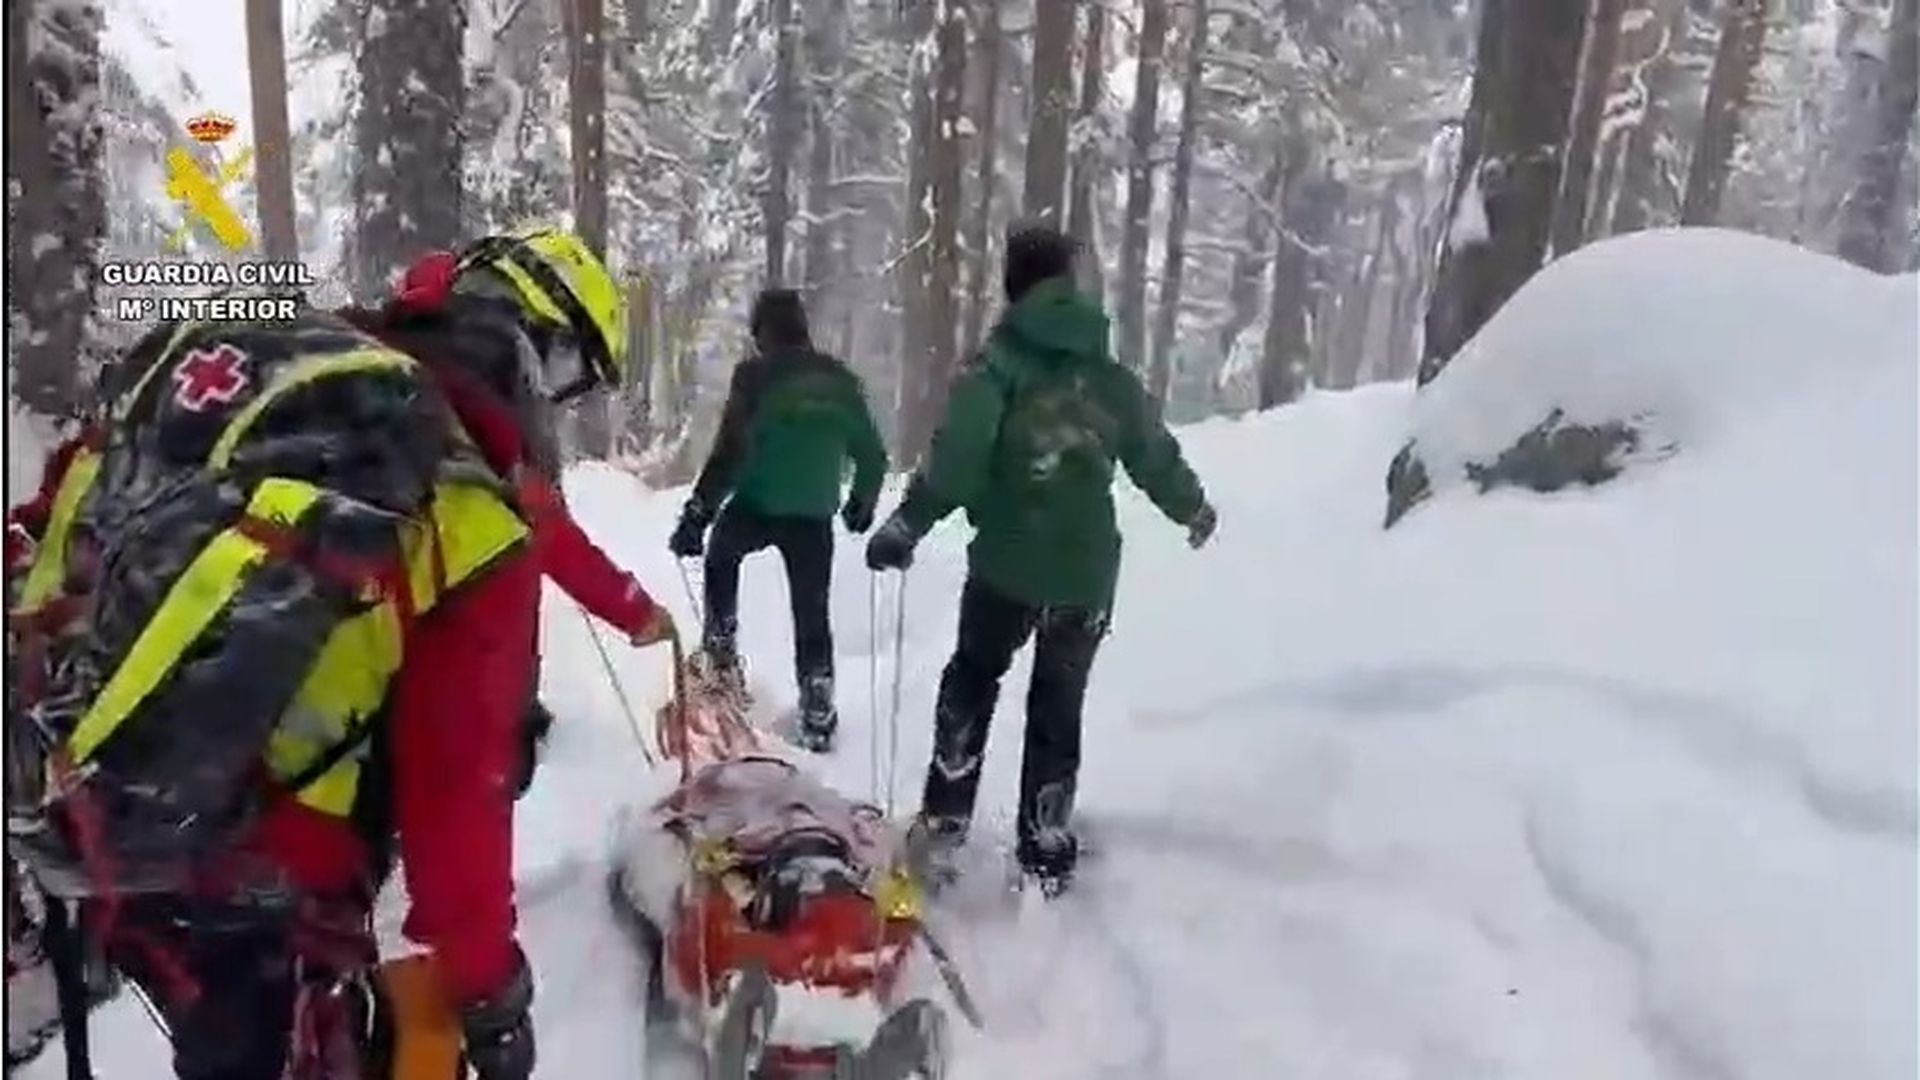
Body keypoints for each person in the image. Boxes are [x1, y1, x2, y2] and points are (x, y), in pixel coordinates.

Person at [10, 228, 655, 1080]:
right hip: (261, 880)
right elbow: (458, 787)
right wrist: (491, 992)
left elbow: (60, 518)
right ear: (542, 349)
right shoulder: (462, 503)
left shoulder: (261, 392)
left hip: (64, 785)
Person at [865, 226, 1217, 897]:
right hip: (1087, 575)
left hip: (1007, 563)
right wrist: (1192, 509)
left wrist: (908, 524)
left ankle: (943, 823)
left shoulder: (996, 369)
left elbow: (959, 461)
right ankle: (1046, 841)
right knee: (1059, 704)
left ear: (1011, 285)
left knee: (973, 676)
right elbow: (1152, 452)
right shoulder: (1108, 376)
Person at [371, 246, 674, 794]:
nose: (551, 394)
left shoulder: (380, 355)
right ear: (539, 326)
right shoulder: (469, 404)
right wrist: (634, 610)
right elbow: (546, 531)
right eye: (566, 368)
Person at [669, 289, 887, 752]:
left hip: (756, 505)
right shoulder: (841, 380)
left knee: (721, 558)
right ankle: (817, 701)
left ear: (762, 333)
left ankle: (722, 658)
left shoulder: (755, 376)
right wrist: (862, 502)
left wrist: (698, 514)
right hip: (813, 514)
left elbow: (731, 450)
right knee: (812, 612)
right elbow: (871, 451)